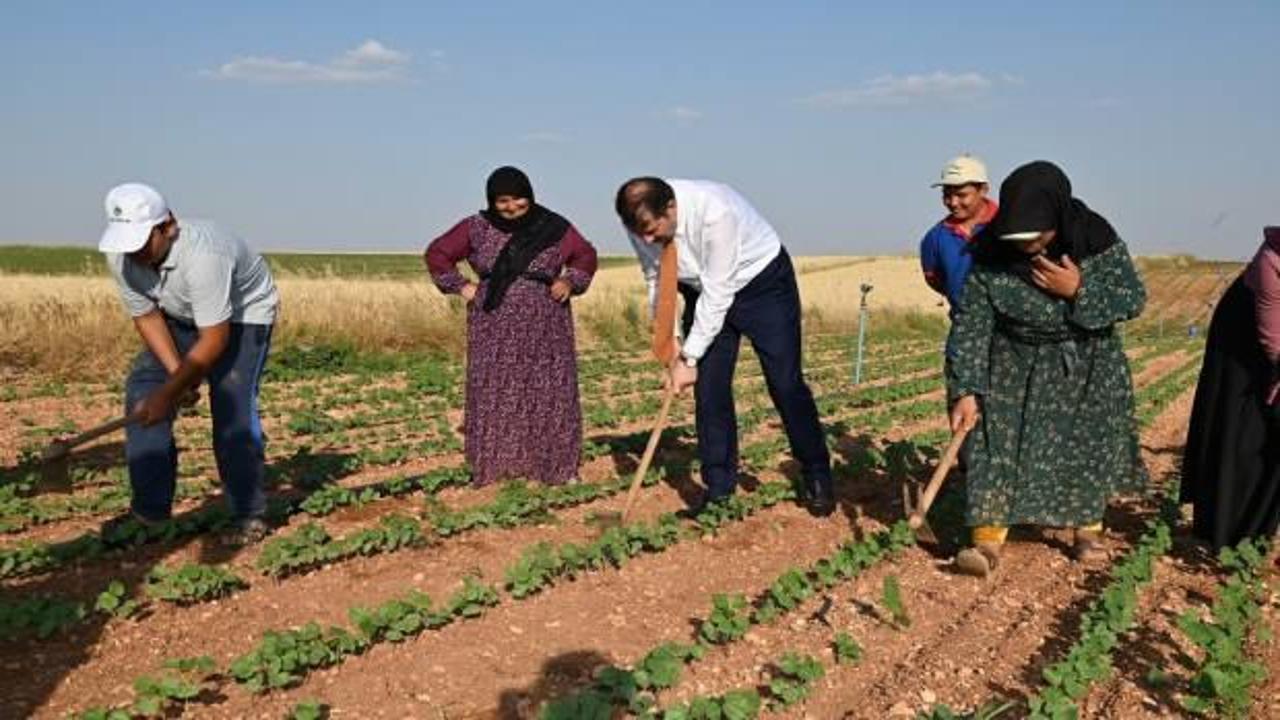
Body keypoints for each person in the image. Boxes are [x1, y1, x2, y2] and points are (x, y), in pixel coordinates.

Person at [947, 161, 1147, 577]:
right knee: (995, 444)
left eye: (1039, 237)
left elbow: (1132, 299)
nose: (1029, 248)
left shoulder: (1094, 238)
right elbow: (972, 324)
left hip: (1086, 362)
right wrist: (965, 389)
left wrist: (1078, 291)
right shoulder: (990, 253)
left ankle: (1086, 531)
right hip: (1012, 364)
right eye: (1018, 239)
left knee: (1085, 445)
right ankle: (986, 544)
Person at [615, 177, 834, 517]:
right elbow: (657, 278)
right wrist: (670, 341)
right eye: (637, 231)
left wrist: (690, 355)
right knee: (710, 391)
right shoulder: (638, 222)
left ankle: (817, 474)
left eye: (650, 228)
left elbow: (719, 293)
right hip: (699, 291)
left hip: (761, 287)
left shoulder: (716, 211)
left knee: (785, 383)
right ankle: (719, 490)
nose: (646, 239)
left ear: (670, 208)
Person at [98, 182, 279, 545]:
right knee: (143, 396)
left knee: (231, 406)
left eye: (141, 242)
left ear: (169, 227)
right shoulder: (122, 254)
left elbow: (215, 339)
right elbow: (148, 317)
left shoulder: (205, 255)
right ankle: (150, 513)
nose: (132, 253)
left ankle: (248, 513)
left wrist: (174, 390)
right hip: (179, 316)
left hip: (244, 317)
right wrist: (173, 378)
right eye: (126, 242)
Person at [425, 166, 598, 487]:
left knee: (549, 389)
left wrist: (570, 280)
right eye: (503, 200)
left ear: (530, 196)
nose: (512, 207)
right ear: (492, 200)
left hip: (547, 321)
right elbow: (437, 254)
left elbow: (585, 254)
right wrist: (463, 287)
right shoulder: (475, 227)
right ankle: (498, 468)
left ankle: (555, 467)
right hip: (494, 321)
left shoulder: (554, 226)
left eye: (519, 199)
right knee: (496, 388)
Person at [1180, 227, 1280, 549]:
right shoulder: (1272, 261)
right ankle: (1226, 533)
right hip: (1244, 339)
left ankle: (1260, 529)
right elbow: (1273, 339)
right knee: (1242, 430)